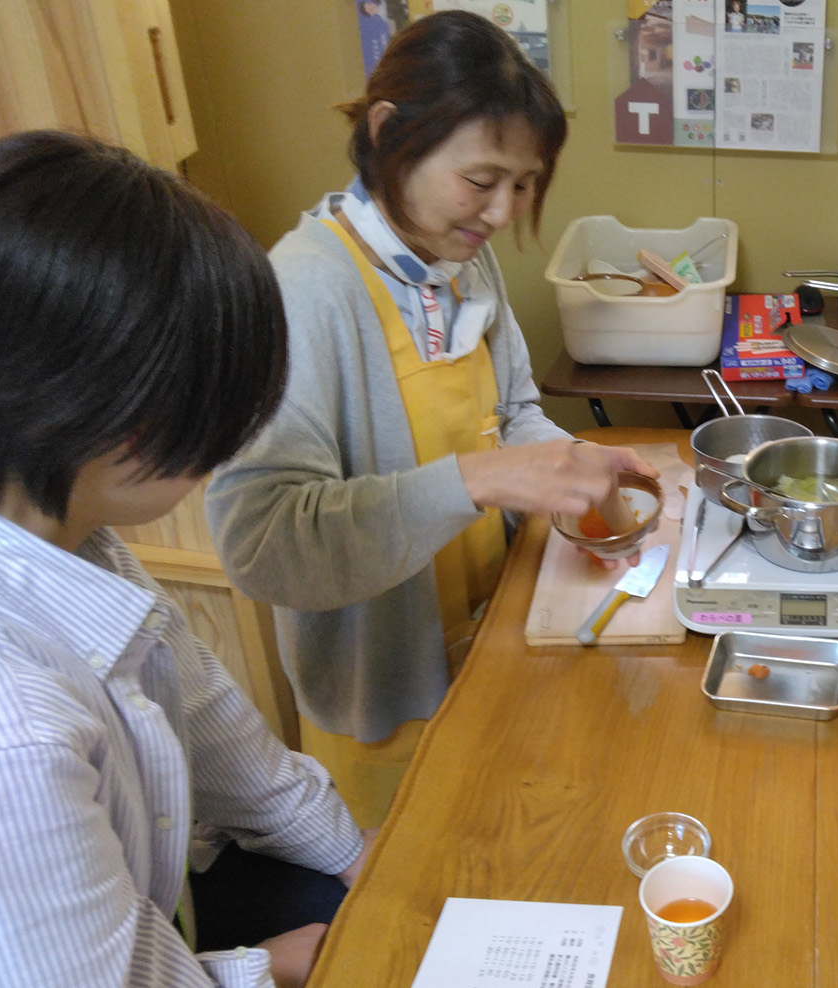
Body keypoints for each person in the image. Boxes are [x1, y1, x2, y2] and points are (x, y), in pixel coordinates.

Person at [206, 12, 654, 828]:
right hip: (384, 697)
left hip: (487, 645)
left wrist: (573, 466)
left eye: (524, 184)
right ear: (389, 134)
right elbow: (260, 543)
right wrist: (479, 480)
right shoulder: (306, 288)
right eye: (482, 180)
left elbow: (511, 411)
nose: (501, 210)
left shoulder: (459, 257)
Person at [0, 130, 370, 988]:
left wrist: (355, 856)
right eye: (223, 411)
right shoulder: (9, 739)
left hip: (158, 908)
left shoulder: (77, 533)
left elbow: (209, 717)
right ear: (124, 416)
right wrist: (259, 971)